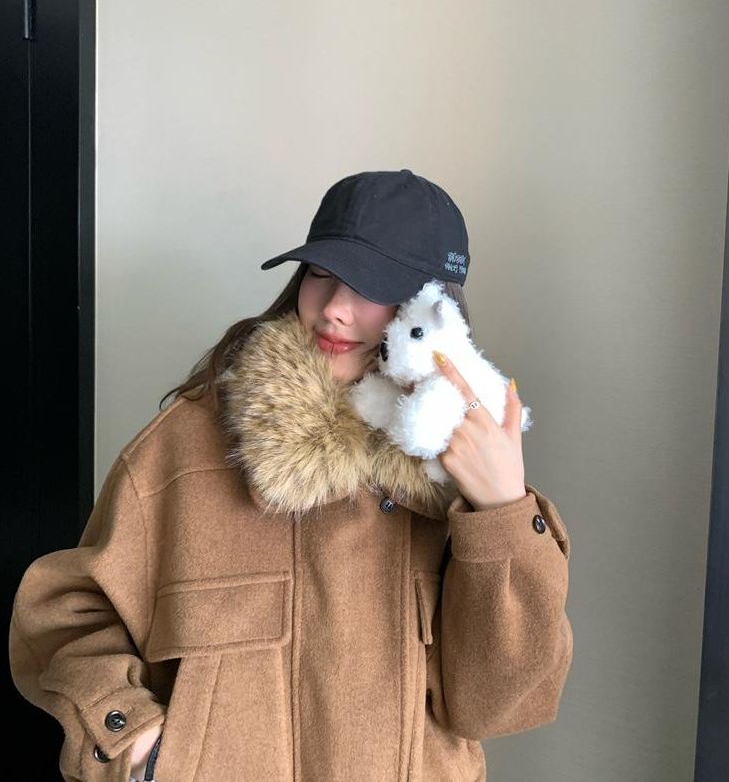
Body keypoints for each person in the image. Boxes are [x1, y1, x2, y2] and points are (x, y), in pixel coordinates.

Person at [9, 168, 573, 781]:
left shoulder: (459, 475)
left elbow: (495, 707)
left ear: (432, 309)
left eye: (373, 286)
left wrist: (503, 511)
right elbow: (64, 613)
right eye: (321, 273)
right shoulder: (187, 446)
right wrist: (138, 744)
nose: (334, 310)